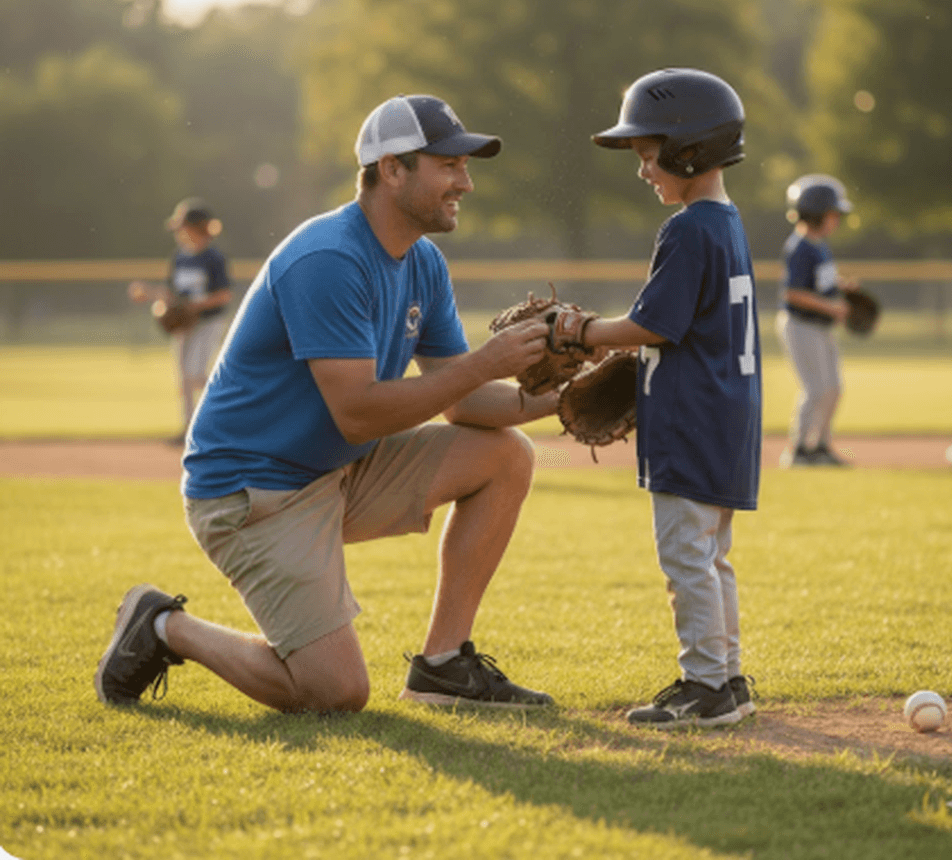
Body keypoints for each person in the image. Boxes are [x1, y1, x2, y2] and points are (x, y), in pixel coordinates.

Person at [96, 94, 563, 714]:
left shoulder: (423, 261)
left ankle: (444, 667)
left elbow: (467, 400)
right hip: (252, 492)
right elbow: (359, 413)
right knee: (335, 693)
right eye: (448, 165)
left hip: (334, 470)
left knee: (506, 456)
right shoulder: (329, 257)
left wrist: (566, 397)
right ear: (391, 169)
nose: (465, 182)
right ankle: (162, 626)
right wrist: (486, 362)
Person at [577, 68, 762, 728]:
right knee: (712, 558)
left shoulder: (688, 228)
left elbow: (654, 324)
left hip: (690, 422)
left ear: (690, 149)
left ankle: (705, 686)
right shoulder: (727, 223)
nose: (642, 169)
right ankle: (728, 679)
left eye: (648, 153)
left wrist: (580, 332)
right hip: (725, 418)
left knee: (687, 559)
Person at [128, 198, 232, 442]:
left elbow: (224, 295)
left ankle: (226, 411)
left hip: (208, 322)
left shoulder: (213, 258)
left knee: (196, 374)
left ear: (198, 228)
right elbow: (172, 293)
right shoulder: (179, 257)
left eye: (182, 226)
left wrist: (194, 306)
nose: (178, 232)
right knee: (184, 378)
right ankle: (189, 431)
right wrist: (149, 293)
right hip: (184, 325)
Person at [776, 175, 856, 468]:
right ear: (815, 213)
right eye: (833, 214)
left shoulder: (819, 246)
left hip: (820, 327)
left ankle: (820, 445)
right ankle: (799, 450)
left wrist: (841, 287)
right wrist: (832, 307)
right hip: (801, 326)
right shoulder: (799, 247)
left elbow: (819, 283)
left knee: (833, 388)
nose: (837, 220)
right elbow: (793, 293)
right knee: (816, 389)